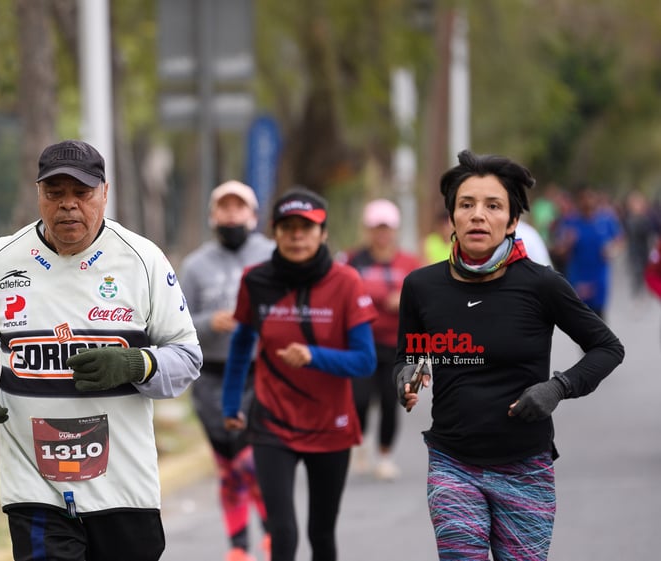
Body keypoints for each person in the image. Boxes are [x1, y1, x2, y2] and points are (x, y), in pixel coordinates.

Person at [0, 139, 202, 561]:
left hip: (123, 485)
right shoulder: (0, 260)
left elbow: (187, 357)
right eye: (55, 193)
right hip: (34, 484)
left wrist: (135, 363)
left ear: (105, 193)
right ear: (38, 195)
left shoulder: (143, 261)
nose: (68, 206)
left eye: (81, 194)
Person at [395, 150, 624, 561]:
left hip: (526, 467)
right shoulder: (421, 287)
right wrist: (407, 375)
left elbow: (608, 347)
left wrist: (558, 387)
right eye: (466, 205)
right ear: (452, 217)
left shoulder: (541, 285)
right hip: (452, 462)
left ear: (513, 221)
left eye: (493, 205)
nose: (478, 215)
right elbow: (409, 354)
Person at [221, 187, 379, 561]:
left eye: (306, 228)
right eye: (287, 227)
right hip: (272, 421)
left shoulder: (346, 282)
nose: (296, 236)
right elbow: (242, 343)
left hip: (330, 424)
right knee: (283, 532)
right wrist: (230, 404)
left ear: (323, 234)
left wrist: (313, 356)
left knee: (321, 534)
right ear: (274, 232)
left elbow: (365, 361)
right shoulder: (255, 280)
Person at [178, 180, 274, 561]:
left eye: (239, 208)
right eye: (224, 208)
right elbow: (178, 319)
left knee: (249, 459)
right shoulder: (196, 264)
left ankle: (268, 533)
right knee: (228, 463)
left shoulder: (271, 255)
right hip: (211, 373)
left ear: (253, 216)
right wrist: (209, 321)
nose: (232, 214)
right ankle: (237, 545)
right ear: (213, 215)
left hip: (258, 370)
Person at [339, 198, 421, 480]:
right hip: (360, 343)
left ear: (395, 230)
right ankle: (359, 444)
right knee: (359, 399)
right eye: (376, 228)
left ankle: (384, 456)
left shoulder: (408, 262)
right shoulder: (352, 260)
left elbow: (424, 301)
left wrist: (405, 301)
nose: (382, 234)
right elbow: (340, 292)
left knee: (390, 401)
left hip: (395, 345)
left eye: (387, 228)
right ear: (368, 230)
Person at [551, 187, 623, 318]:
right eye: (583, 199)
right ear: (579, 202)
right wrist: (567, 243)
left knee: (599, 317)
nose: (587, 202)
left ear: (596, 200)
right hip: (578, 278)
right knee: (581, 319)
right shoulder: (570, 222)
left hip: (599, 277)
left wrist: (612, 250)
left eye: (590, 198)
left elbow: (620, 241)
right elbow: (558, 251)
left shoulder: (606, 221)